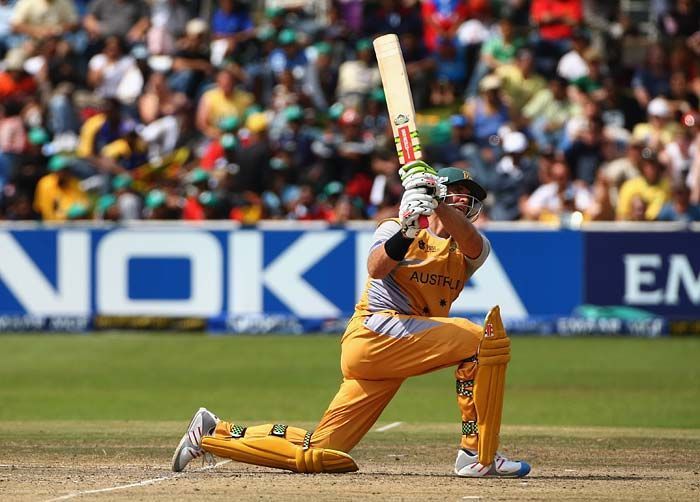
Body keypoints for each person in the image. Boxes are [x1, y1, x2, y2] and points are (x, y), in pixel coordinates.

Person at [170, 160, 531, 478]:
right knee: (480, 340)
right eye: (459, 192)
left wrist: (437, 203)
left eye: (470, 195)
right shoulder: (395, 228)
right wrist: (407, 228)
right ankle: (477, 453)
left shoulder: (470, 248)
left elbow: (471, 244)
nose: (466, 200)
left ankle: (213, 433)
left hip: (395, 352)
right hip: (375, 333)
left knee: (321, 451)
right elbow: (376, 268)